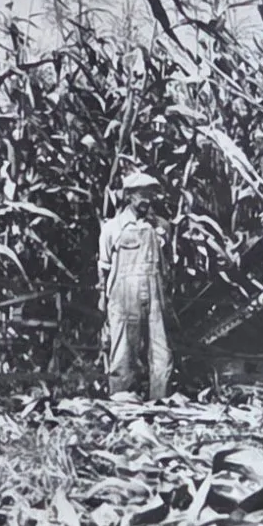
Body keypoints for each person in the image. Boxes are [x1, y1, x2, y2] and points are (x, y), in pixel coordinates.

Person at [97, 171, 172, 401]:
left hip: (156, 295)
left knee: (161, 352)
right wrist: (103, 296)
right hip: (123, 296)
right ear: (129, 196)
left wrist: (167, 294)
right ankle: (122, 402)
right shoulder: (113, 228)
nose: (147, 201)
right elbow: (104, 266)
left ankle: (159, 402)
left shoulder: (161, 227)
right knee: (123, 352)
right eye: (142, 195)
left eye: (151, 195)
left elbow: (168, 265)